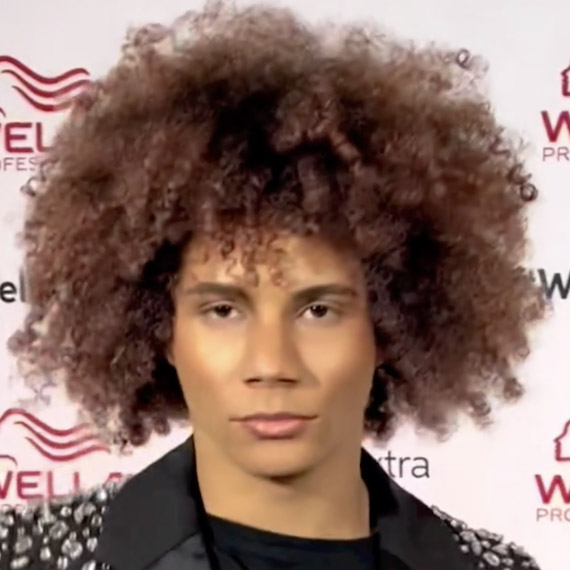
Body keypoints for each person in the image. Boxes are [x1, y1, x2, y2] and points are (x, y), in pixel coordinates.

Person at [0, 2, 547, 570]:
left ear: (389, 328)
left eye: (316, 309)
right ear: (160, 332)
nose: (271, 361)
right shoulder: (25, 555)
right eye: (222, 309)